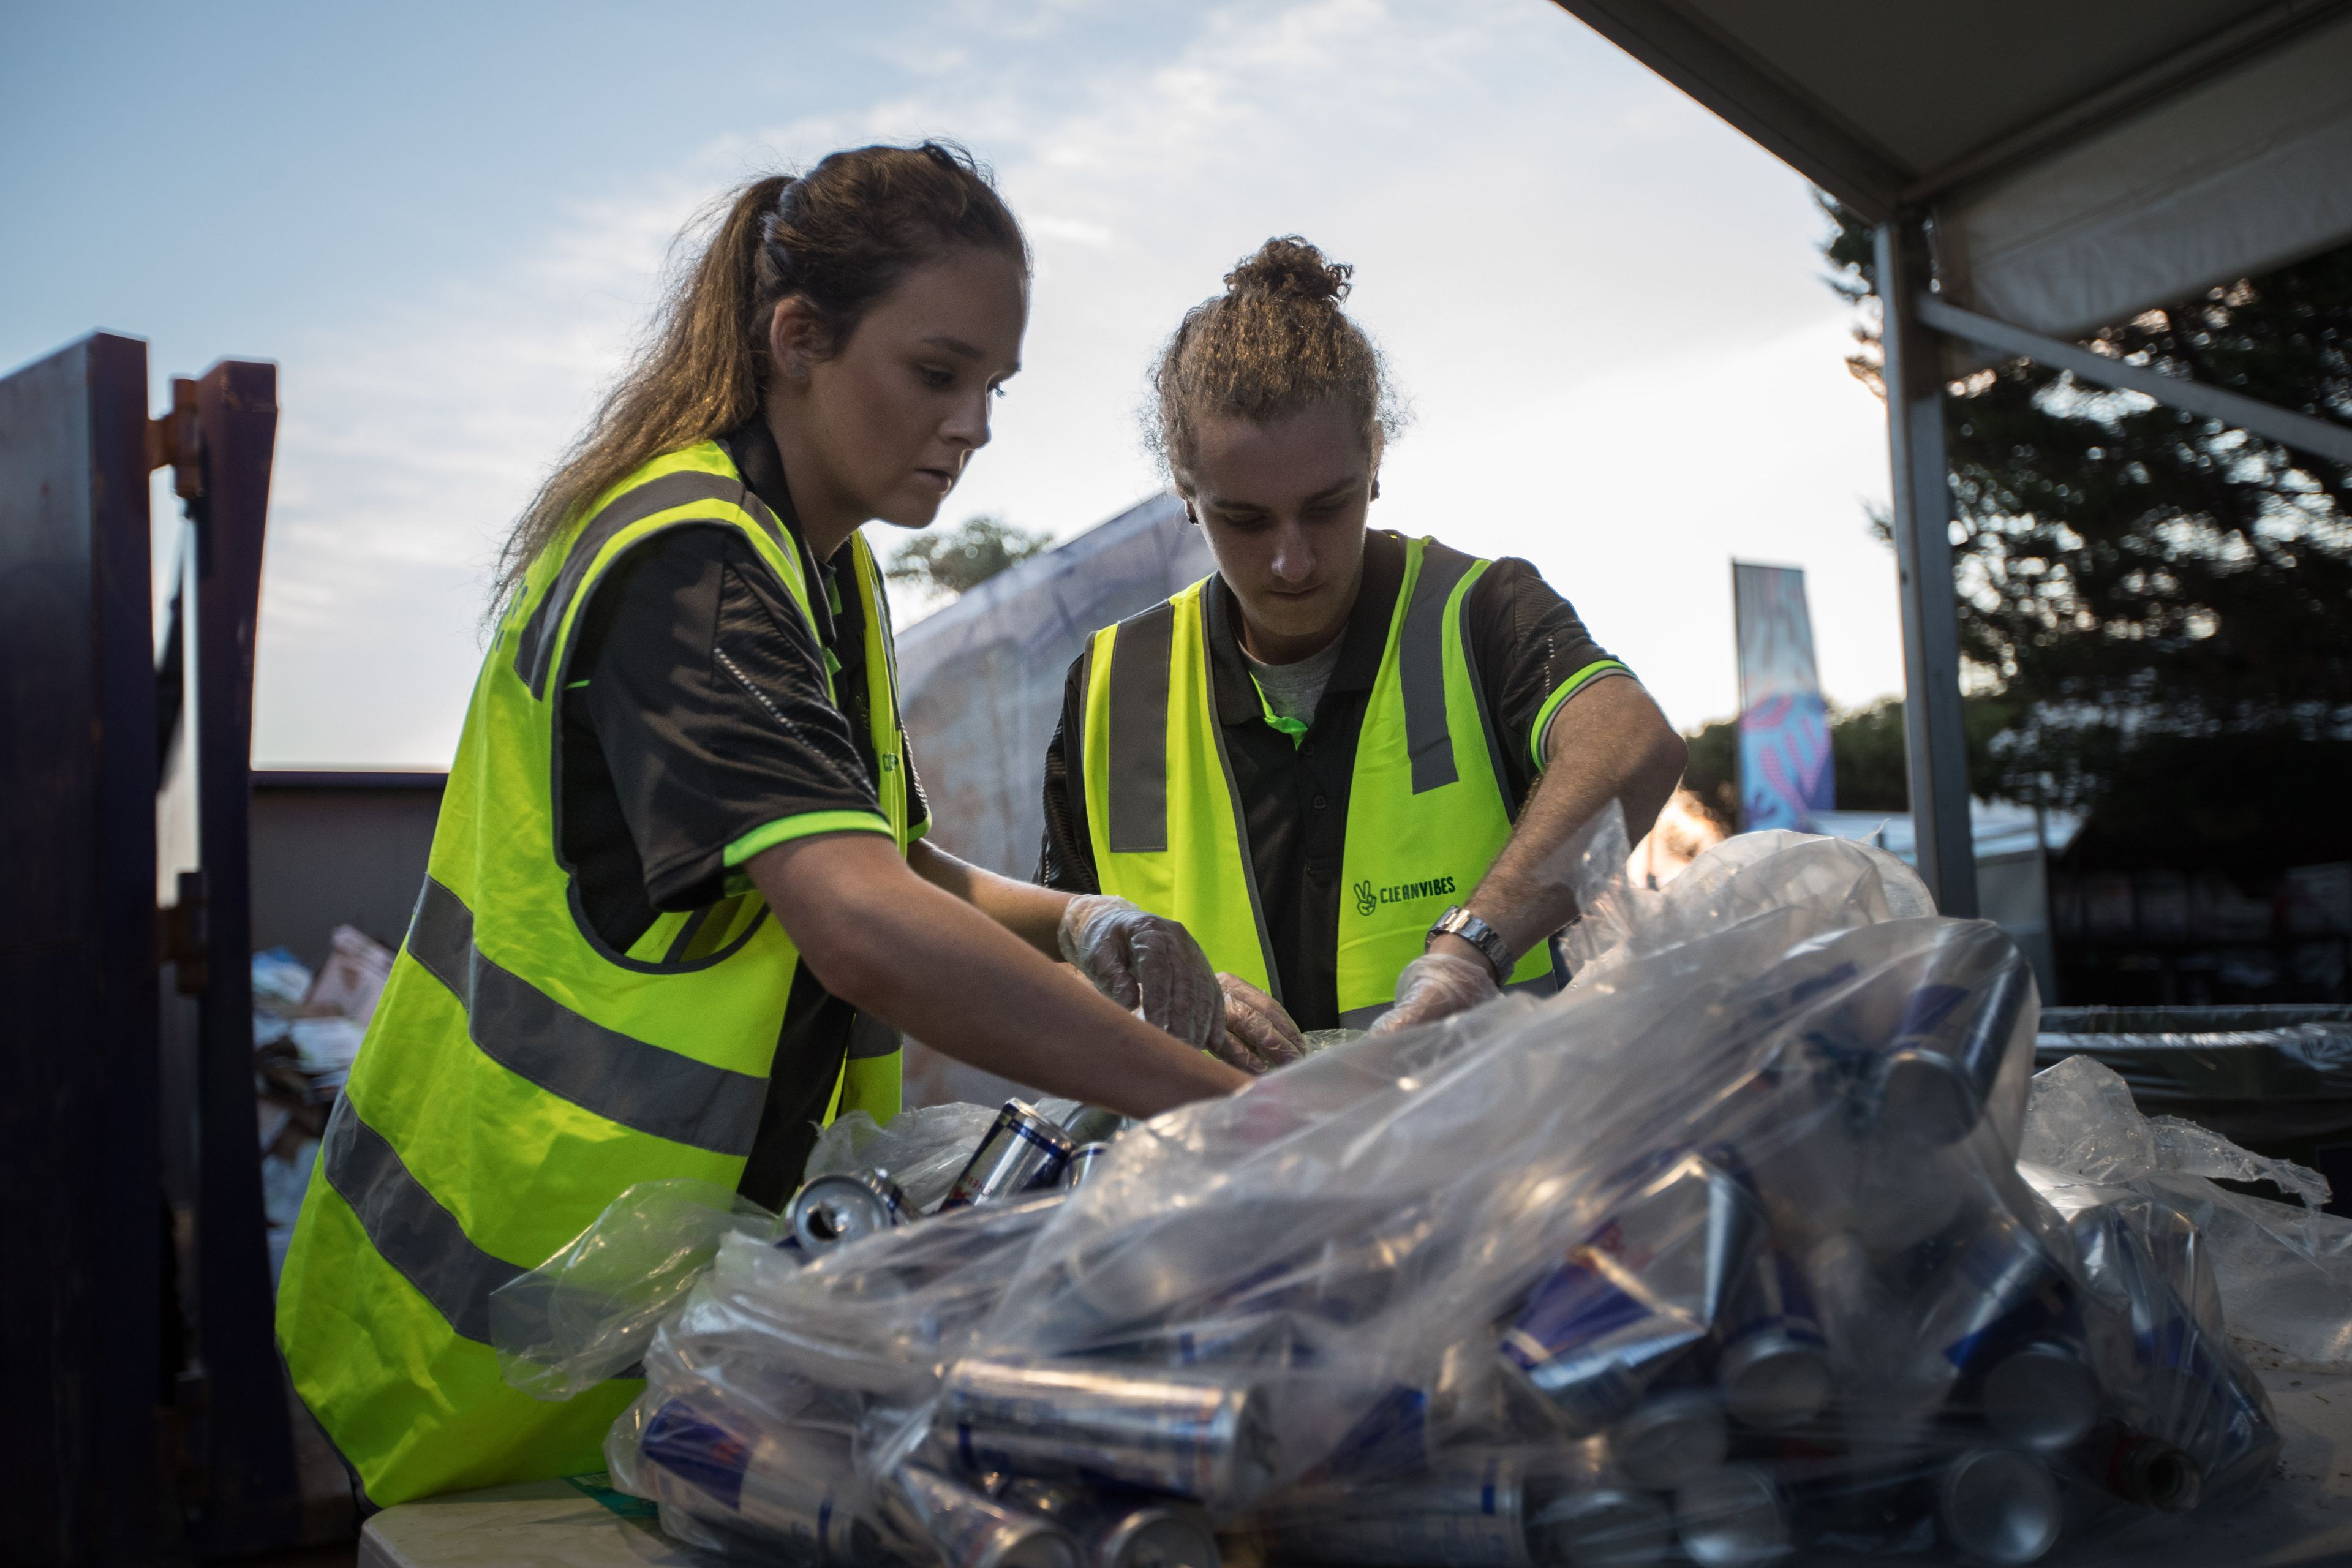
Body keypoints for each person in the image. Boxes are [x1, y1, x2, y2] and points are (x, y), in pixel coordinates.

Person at [277, 144, 1248, 1509]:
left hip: (651, 1315)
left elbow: (888, 855)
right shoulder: (694, 569)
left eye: (994, 389)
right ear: (800, 338)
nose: (973, 424)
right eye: (937, 372)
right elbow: (858, 921)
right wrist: (1234, 1116)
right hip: (510, 1336)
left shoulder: (826, 566)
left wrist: (1092, 924)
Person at [1038, 238, 1687, 1055]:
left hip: (1486, 1154)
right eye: (1244, 519)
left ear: (1374, 458)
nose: (1292, 560)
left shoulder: (1481, 611)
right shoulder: (1109, 685)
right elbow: (1054, 947)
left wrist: (1472, 954)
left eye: (1327, 506)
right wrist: (1143, 1002)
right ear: (1184, 485)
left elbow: (1634, 742)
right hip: (1216, 1160)